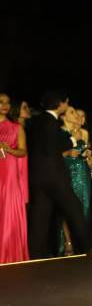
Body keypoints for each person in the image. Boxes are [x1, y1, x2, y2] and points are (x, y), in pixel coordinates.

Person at [26, 90, 92, 258]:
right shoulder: (50, 121)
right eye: (67, 102)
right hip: (53, 176)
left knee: (40, 216)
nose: (68, 105)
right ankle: (85, 248)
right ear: (61, 103)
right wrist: (72, 139)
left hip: (38, 177)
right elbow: (52, 147)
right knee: (75, 209)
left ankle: (36, 255)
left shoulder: (37, 120)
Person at [59, 106, 92, 256]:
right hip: (67, 172)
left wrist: (88, 157)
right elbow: (52, 154)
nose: (76, 116)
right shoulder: (60, 132)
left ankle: (81, 241)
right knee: (67, 208)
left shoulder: (83, 133)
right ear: (63, 117)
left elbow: (85, 151)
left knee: (84, 207)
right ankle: (68, 241)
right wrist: (67, 153)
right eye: (72, 113)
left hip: (83, 173)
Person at [0, 93, 29, 263]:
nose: (5, 105)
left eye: (7, 102)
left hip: (9, 178)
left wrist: (9, 150)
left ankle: (10, 255)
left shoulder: (16, 127)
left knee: (9, 215)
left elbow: (23, 151)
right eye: (1, 102)